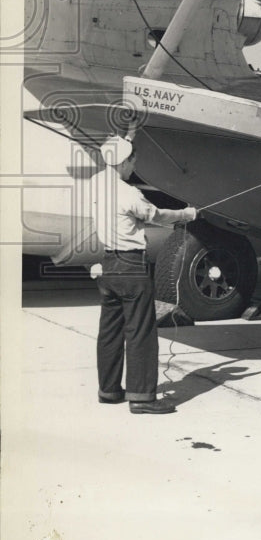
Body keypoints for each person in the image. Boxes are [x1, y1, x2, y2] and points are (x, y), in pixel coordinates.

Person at [93, 136, 197, 414]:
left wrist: (126, 137)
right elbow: (157, 215)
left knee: (110, 332)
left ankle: (109, 391)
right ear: (123, 161)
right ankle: (141, 398)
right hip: (131, 266)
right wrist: (185, 214)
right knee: (140, 332)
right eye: (132, 163)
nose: (133, 168)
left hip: (109, 265)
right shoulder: (130, 194)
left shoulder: (97, 183)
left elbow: (114, 163)